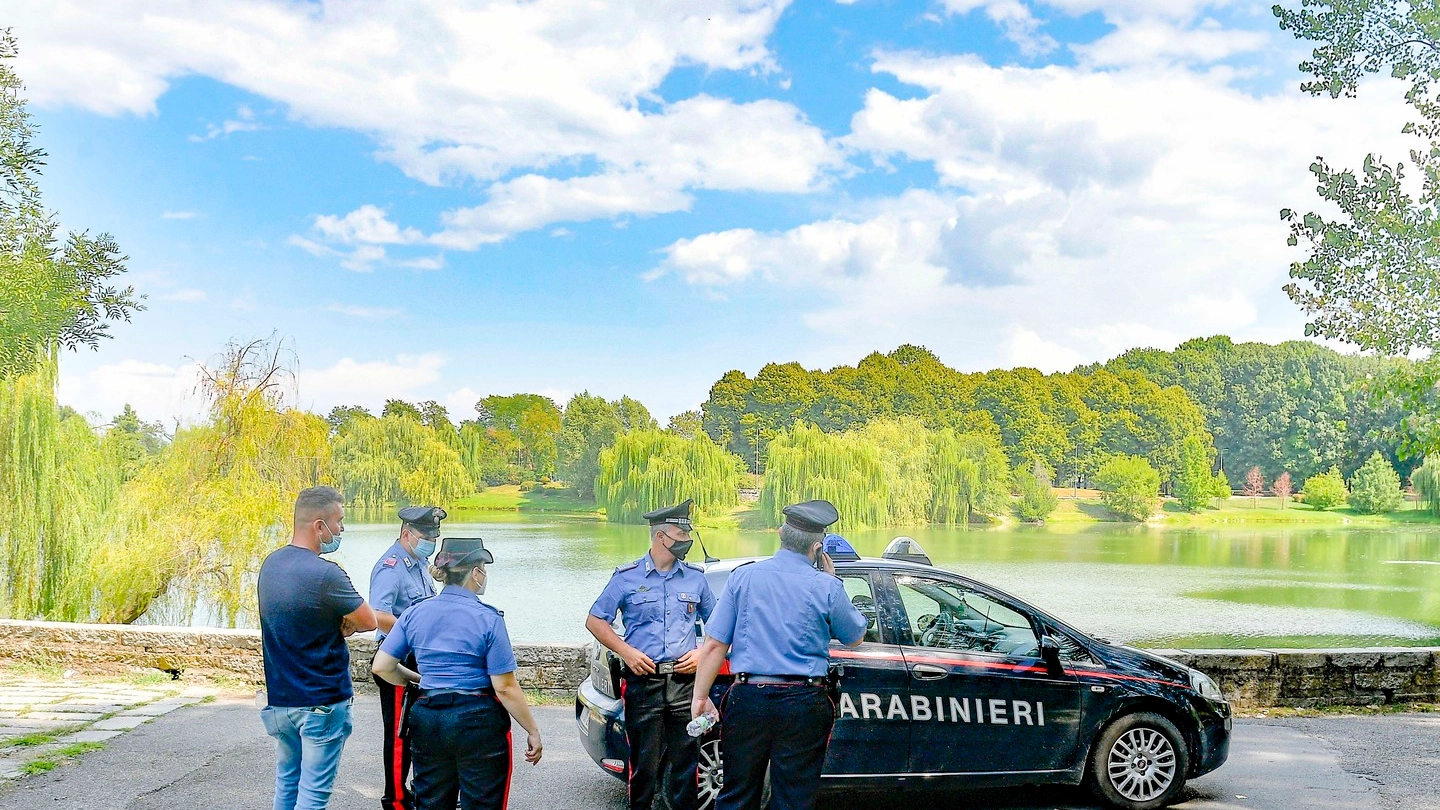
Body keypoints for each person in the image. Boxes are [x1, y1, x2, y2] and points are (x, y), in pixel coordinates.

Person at [690, 499, 866, 810]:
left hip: (748, 700)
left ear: (781, 534)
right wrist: (833, 579)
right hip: (804, 702)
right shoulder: (826, 587)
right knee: (794, 798)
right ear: (816, 548)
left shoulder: (743, 578)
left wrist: (700, 697)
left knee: (736, 793)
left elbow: (715, 644)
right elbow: (855, 637)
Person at [371, 537, 542, 810]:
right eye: (483, 568)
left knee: (432, 802)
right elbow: (505, 688)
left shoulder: (414, 613)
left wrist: (417, 680)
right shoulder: (488, 618)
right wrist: (532, 730)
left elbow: (381, 666)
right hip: (478, 722)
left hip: (428, 718)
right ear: (475, 572)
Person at [585, 500, 716, 810]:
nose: (687, 539)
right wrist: (627, 652)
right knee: (644, 766)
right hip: (644, 684)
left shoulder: (696, 579)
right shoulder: (627, 577)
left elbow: (721, 628)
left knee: (686, 766)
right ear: (660, 537)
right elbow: (595, 620)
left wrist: (700, 654)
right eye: (681, 533)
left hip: (685, 684)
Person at [257, 485, 377, 810]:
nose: (341, 530)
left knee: (286, 788)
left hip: (280, 702)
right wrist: (346, 621)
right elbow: (368, 621)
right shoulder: (326, 574)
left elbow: (296, 616)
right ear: (319, 526)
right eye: (338, 521)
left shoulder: (270, 566)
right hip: (319, 703)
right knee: (312, 797)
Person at [369, 505, 446, 810]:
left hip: (418, 657)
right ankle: (396, 799)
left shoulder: (419, 563)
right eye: (425, 536)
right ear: (406, 534)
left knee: (414, 730)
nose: (430, 541)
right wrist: (414, 632)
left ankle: (408, 790)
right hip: (397, 659)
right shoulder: (392, 567)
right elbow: (378, 615)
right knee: (400, 734)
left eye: (433, 537)